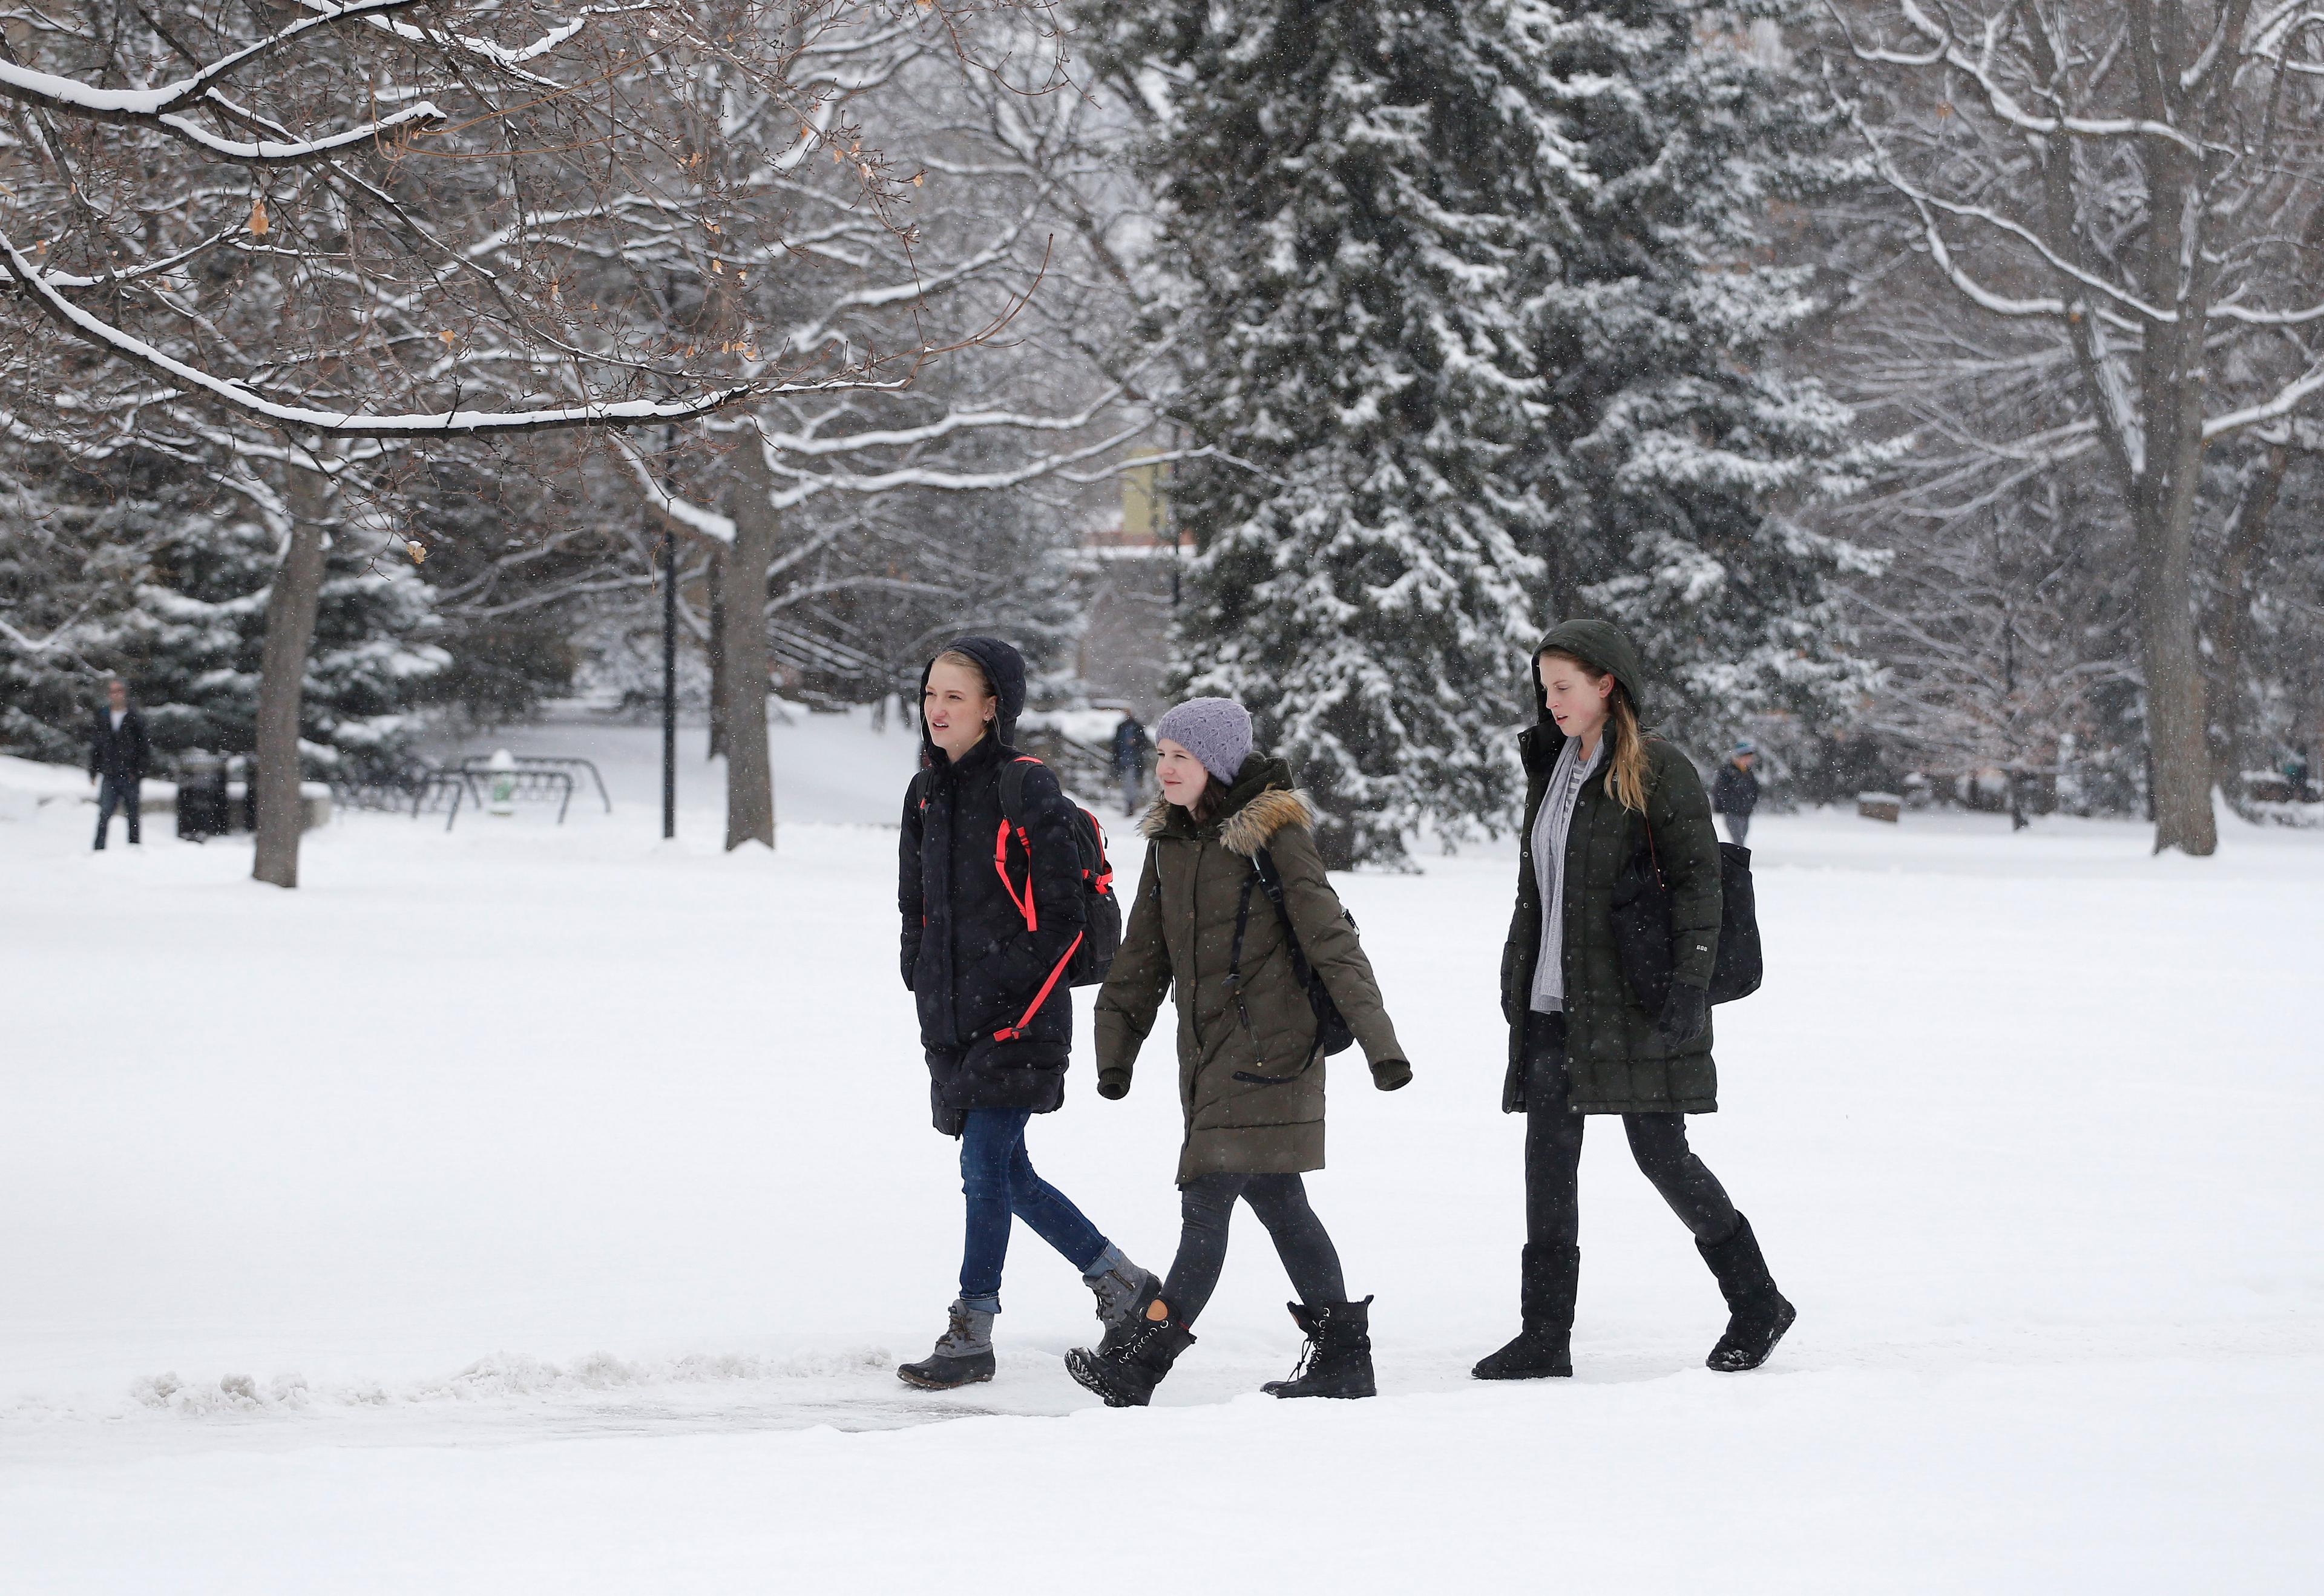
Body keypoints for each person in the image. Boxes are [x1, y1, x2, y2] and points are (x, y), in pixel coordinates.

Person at [1066, 698, 1412, 1408]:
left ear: (1216, 765)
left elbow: (1331, 941)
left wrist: (1381, 1045)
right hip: (1208, 1055)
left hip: (1272, 1052)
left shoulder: (1273, 838)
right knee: (1282, 1203)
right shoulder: (1169, 844)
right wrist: (1116, 1048)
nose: (1163, 769)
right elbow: (1142, 954)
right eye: (1160, 755)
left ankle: (1139, 1365)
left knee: (1206, 1201)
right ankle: (1346, 1360)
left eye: (1180, 758)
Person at [1474, 619, 1794, 1383]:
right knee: (1546, 1168)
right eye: (1544, 687)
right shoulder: (1551, 769)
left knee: (1661, 1156)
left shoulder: (1657, 769)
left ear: (1606, 685)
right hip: (1557, 1003)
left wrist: (1690, 985)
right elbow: (1536, 891)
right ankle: (1544, 1336)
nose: (1549, 702)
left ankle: (1757, 1302)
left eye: (1563, 688)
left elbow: (1699, 885)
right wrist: (1517, 974)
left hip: (1639, 1002)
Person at [895, 637, 1158, 1390]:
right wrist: (921, 975)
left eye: (955, 696)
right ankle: (1122, 1283)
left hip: (1021, 1018)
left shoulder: (1025, 787)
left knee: (984, 1170)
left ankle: (970, 1332)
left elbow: (1063, 922)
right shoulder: (924, 794)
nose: (937, 709)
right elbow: (916, 908)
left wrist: (999, 993)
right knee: (1008, 1173)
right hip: (950, 1021)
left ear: (993, 708)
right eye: (930, 695)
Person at [88, 678, 151, 851]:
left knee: (133, 814)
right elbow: (97, 746)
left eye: (119, 691)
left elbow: (144, 747)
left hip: (130, 773)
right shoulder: (103, 717)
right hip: (109, 773)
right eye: (113, 691)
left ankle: (134, 849)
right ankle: (99, 849)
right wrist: (93, 771)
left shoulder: (135, 718)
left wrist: (138, 772)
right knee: (104, 813)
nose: (116, 695)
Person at [1711, 740, 1759, 847]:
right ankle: (1740, 859)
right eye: (1746, 757)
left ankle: (1740, 858)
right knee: (1738, 839)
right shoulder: (1727, 771)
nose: (1748, 760)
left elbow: (1754, 790)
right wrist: (1723, 805)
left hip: (1745, 811)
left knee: (1742, 836)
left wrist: (1751, 803)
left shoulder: (1748, 772)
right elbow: (1719, 790)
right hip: (1732, 811)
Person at [1111, 709, 1153, 816]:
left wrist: (1136, 743)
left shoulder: (1137, 727)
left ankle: (1131, 805)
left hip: (1134, 761)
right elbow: (1116, 745)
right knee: (1127, 785)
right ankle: (1129, 805)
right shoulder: (1121, 727)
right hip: (1123, 761)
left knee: (1131, 784)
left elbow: (1144, 743)